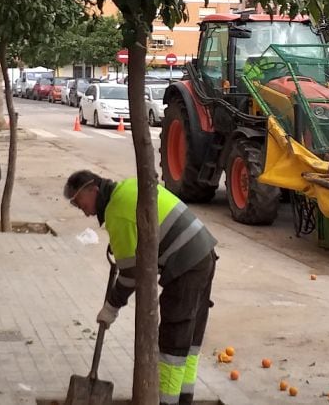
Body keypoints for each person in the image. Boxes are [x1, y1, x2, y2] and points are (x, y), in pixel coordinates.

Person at [64, 170, 217, 405]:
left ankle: (166, 401)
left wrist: (111, 307)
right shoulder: (128, 187)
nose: (81, 210)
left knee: (173, 339)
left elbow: (131, 275)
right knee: (190, 336)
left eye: (78, 201)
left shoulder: (116, 213)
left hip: (185, 264)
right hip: (203, 253)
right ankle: (184, 398)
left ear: (92, 189)